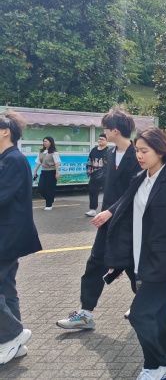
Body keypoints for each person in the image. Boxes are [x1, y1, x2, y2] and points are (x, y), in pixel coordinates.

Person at [92, 127, 166, 380]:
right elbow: (125, 209)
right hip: (139, 259)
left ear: (160, 152)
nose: (139, 155)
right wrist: (118, 257)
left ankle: (154, 365)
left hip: (163, 262)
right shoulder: (140, 178)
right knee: (161, 313)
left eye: (144, 151)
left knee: (139, 315)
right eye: (137, 150)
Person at [56, 108, 141, 330]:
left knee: (134, 267)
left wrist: (110, 211)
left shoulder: (138, 155)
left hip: (131, 221)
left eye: (105, 128)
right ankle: (86, 314)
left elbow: (134, 191)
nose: (103, 132)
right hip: (108, 221)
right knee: (95, 263)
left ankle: (144, 304)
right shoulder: (110, 153)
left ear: (115, 130)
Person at [0, 111, 42, 365]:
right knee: (6, 289)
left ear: (6, 131)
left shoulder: (12, 160)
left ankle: (13, 334)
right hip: (8, 235)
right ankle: (15, 343)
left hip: (7, 236)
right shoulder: (8, 158)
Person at [32, 136, 61, 211]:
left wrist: (57, 173)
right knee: (40, 188)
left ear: (50, 142)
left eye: (46, 141)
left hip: (52, 172)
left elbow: (57, 163)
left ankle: (49, 205)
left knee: (50, 188)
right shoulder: (41, 152)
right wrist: (35, 171)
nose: (44, 143)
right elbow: (38, 162)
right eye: (44, 141)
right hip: (44, 171)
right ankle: (51, 199)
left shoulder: (54, 152)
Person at [85, 133, 108, 217]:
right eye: (99, 139)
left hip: (105, 175)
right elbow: (89, 161)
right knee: (93, 192)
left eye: (102, 139)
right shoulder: (94, 150)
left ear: (107, 141)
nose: (100, 140)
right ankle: (92, 209)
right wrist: (88, 171)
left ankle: (106, 209)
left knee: (107, 192)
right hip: (94, 174)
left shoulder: (109, 151)